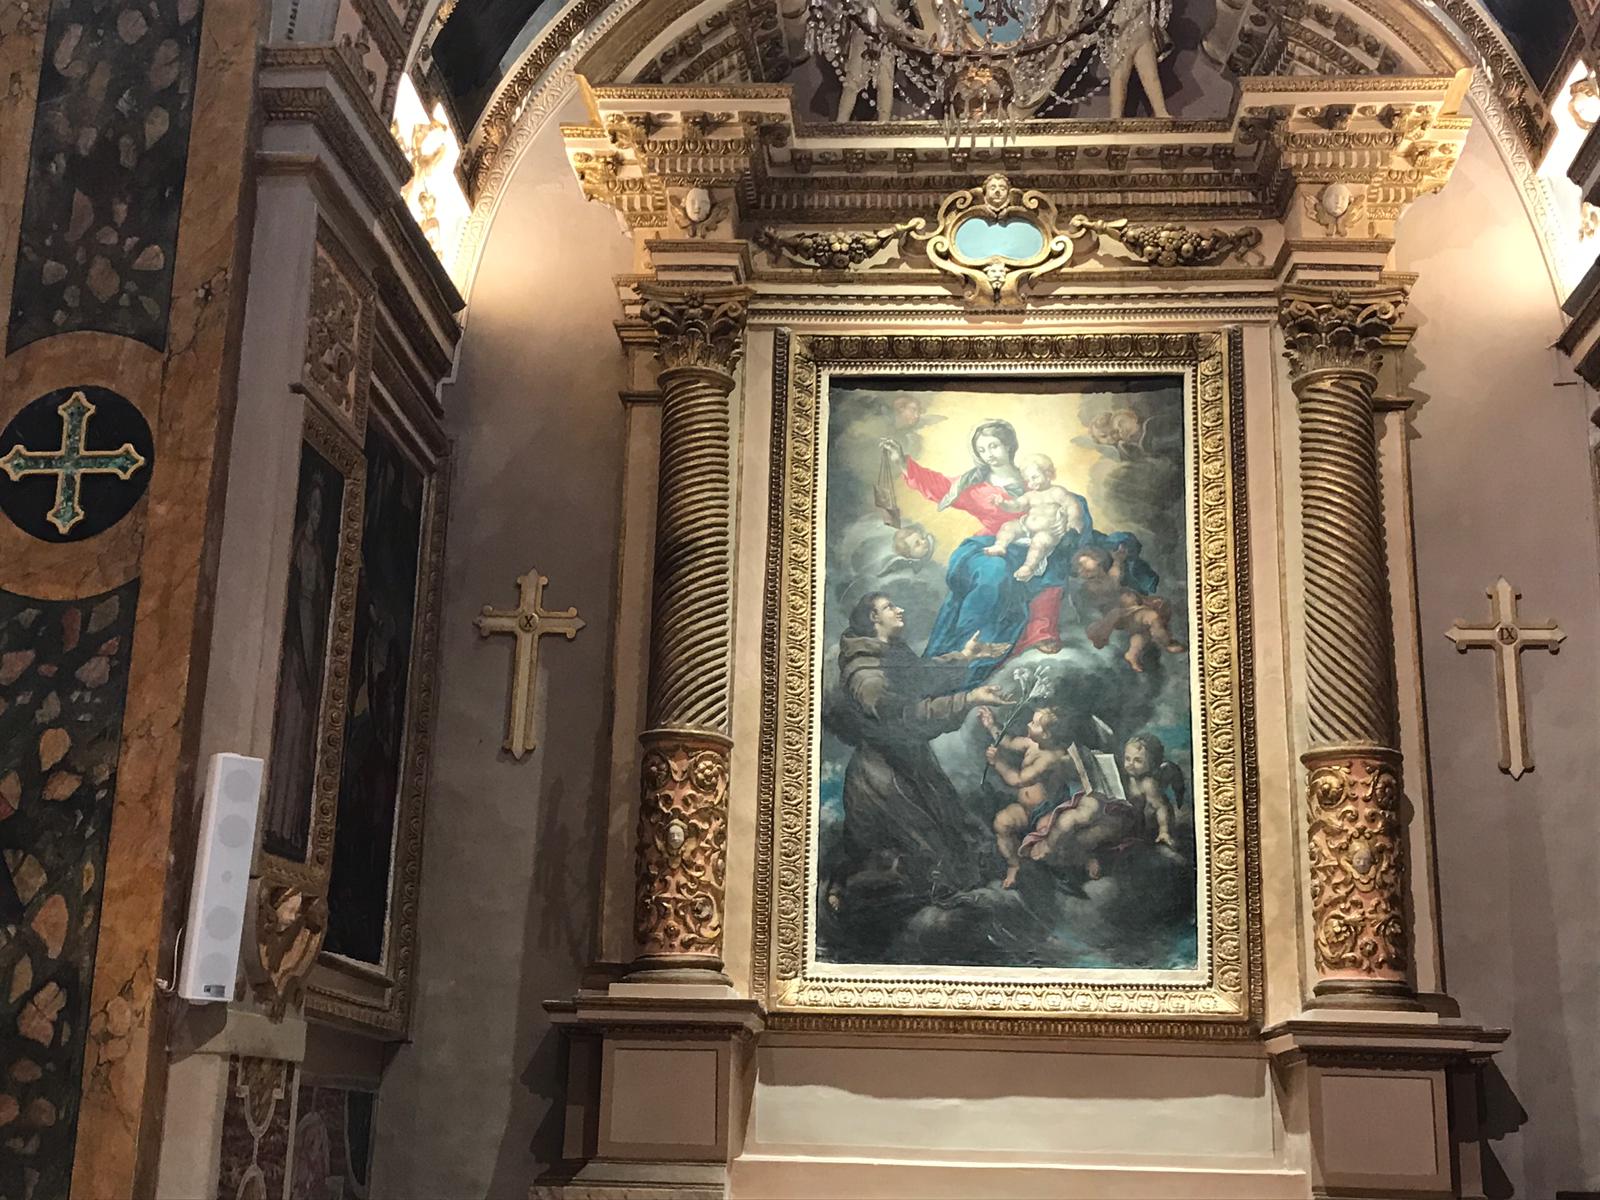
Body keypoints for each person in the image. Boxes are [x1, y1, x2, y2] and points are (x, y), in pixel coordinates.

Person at [823, 592, 1010, 919]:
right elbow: (907, 715)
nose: (900, 608)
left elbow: (921, 674)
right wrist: (968, 699)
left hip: (911, 761)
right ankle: (849, 895)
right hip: (884, 774)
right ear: (873, 619)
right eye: (889, 607)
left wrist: (965, 656)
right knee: (914, 856)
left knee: (952, 837)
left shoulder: (889, 652)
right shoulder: (865, 676)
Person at [879, 420, 1078, 683]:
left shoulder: (1031, 478)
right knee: (994, 573)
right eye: (982, 450)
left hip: (1029, 546)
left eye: (994, 446)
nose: (988, 454)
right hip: (987, 546)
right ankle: (964, 646)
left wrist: (1067, 525)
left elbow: (1064, 502)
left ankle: (1036, 633)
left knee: (1050, 564)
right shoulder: (974, 485)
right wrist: (902, 462)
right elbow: (939, 485)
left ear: (1009, 445)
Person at [980, 704, 1076, 888]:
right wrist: (992, 726)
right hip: (1025, 809)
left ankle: (1072, 867)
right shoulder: (1033, 742)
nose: (1028, 724)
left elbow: (1018, 780)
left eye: (1034, 723)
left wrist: (997, 762)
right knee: (1002, 823)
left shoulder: (1050, 758)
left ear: (1047, 735)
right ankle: (1014, 864)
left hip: (1047, 811)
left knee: (1049, 842)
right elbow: (1009, 742)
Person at [1070, 543, 1184, 671]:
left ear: (1098, 560)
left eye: (1085, 563)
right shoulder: (1090, 586)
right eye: (1080, 567)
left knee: (1143, 631)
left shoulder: (1107, 577)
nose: (1082, 568)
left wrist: (1118, 560)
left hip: (1133, 608)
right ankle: (1167, 642)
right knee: (1153, 617)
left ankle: (1132, 654)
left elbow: (1115, 574)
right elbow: (1111, 586)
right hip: (1123, 615)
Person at [988, 453, 1086, 582]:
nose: (1031, 483)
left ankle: (1028, 567)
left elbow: (1072, 505)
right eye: (1028, 480)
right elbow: (1016, 506)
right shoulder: (1030, 495)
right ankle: (1000, 546)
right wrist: (1003, 503)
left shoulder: (1057, 492)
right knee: (1008, 526)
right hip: (1026, 527)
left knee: (1039, 541)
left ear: (1048, 474)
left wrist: (1074, 520)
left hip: (1048, 533)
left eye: (1034, 477)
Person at [1122, 733, 1185, 848]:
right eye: (1127, 759)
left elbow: (1161, 808)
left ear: (1152, 764)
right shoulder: (1126, 778)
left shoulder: (1148, 783)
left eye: (1138, 760)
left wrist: (1163, 831)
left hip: (1154, 823)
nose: (1130, 764)